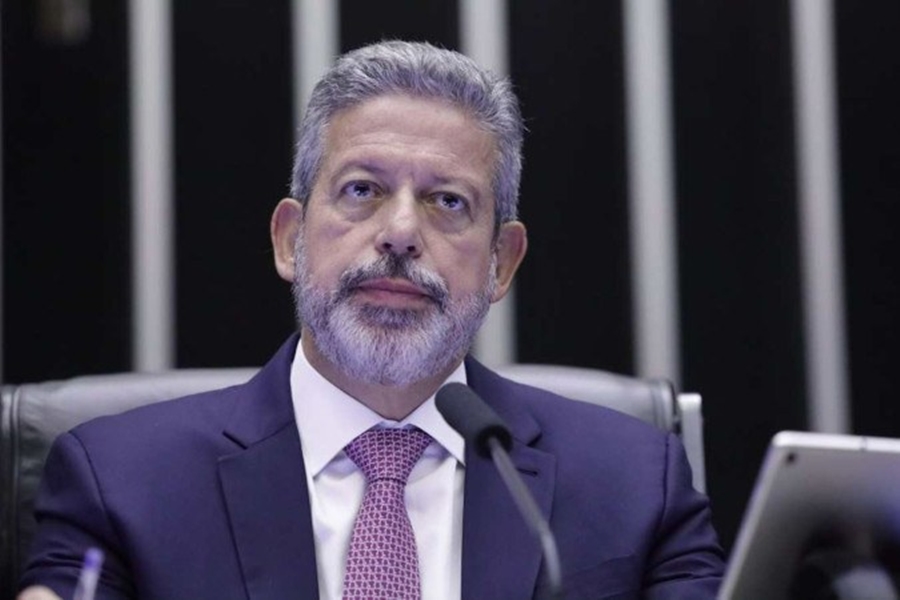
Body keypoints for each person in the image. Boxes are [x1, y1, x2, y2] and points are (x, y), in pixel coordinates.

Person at [18, 40, 724, 599]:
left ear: (501, 262)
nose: (400, 233)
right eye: (362, 190)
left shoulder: (635, 483)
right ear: (289, 240)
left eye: (448, 202)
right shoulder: (121, 482)